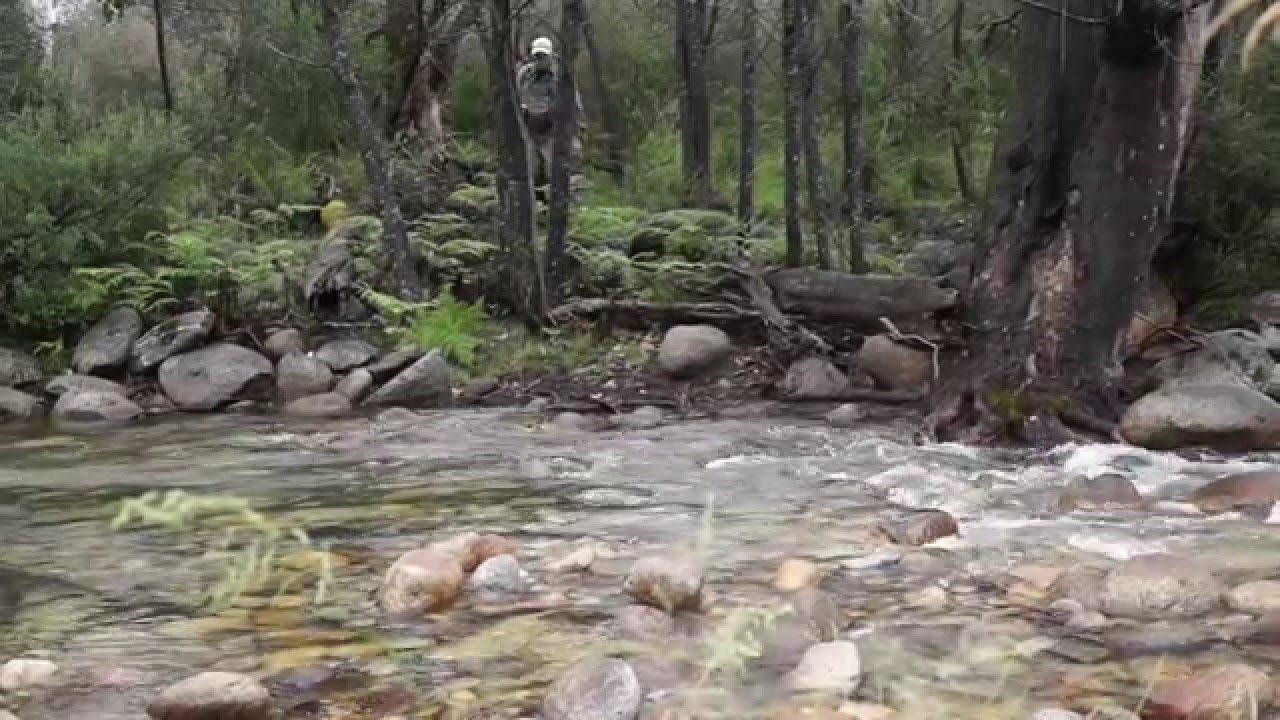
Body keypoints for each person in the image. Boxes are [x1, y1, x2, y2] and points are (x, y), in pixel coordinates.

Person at [516, 36, 584, 186]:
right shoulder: (524, 75)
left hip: (553, 130)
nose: (540, 59)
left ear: (551, 55)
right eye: (537, 55)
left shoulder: (561, 77)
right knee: (529, 173)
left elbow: (575, 105)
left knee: (554, 172)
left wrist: (575, 130)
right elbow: (516, 97)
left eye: (543, 55)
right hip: (529, 129)